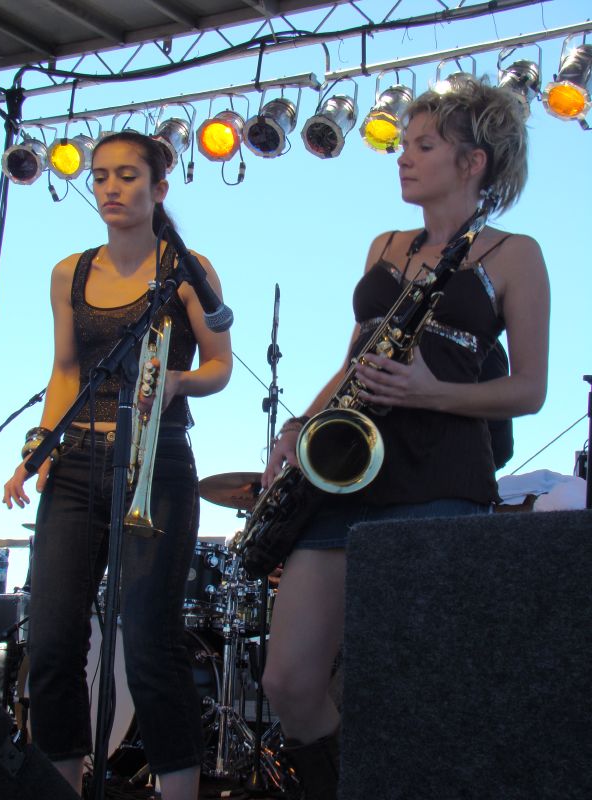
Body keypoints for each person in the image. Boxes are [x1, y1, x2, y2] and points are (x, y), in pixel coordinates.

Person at [259, 78, 550, 799]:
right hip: (342, 476)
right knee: (288, 679)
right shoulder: (384, 244)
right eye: (405, 144)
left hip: (441, 483)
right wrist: (295, 431)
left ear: (474, 161)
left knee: (401, 689)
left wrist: (431, 393)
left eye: (424, 145)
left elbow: (530, 391)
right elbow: (353, 360)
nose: (403, 158)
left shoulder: (516, 253)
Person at [2, 131, 233, 799]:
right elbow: (66, 370)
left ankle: (178, 790)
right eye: (100, 176)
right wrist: (39, 450)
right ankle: (60, 784)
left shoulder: (186, 267)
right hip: (76, 465)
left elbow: (218, 365)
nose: (109, 187)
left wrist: (178, 383)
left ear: (159, 188)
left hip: (155, 462)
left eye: (127, 175)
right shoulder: (68, 272)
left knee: (151, 643)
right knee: (48, 642)